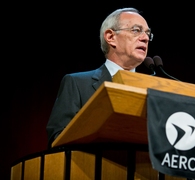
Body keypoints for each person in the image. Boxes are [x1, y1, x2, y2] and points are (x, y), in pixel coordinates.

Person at [46, 7, 153, 147]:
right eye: (136, 30)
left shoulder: (152, 90)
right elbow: (58, 139)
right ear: (110, 37)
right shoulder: (77, 84)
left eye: (147, 33)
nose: (145, 38)